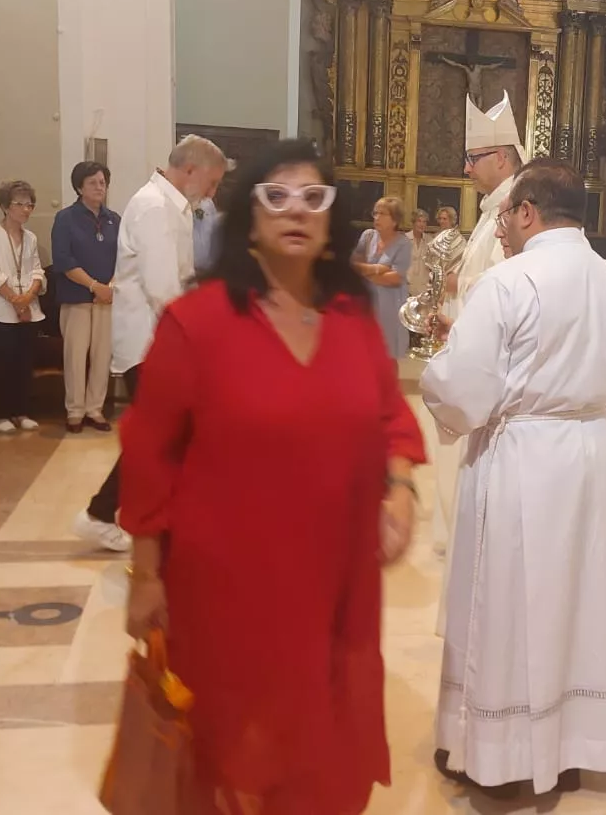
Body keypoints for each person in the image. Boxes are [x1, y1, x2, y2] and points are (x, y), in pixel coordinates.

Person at [121, 139, 424, 813]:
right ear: (249, 218)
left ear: (328, 221)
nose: (296, 209)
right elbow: (148, 453)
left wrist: (399, 488)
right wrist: (145, 573)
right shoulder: (196, 322)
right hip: (229, 582)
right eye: (276, 195)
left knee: (325, 743)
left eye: (313, 197)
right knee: (233, 747)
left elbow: (390, 415)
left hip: (337, 581)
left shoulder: (351, 321)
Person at [422, 159, 606, 795]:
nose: (505, 231)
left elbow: (464, 390)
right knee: (578, 599)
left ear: (526, 211)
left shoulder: (508, 282)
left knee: (512, 605)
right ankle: (570, 747)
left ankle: (502, 757)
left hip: (522, 457)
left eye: (509, 216)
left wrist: (442, 361)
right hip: (590, 454)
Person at [72, 135, 226, 553]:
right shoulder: (156, 208)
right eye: (212, 183)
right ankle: (106, 515)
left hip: (157, 341)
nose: (212, 193)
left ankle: (117, 515)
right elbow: (164, 290)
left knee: (164, 440)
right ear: (190, 171)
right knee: (160, 441)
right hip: (151, 344)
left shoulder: (167, 206)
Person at [430, 92, 527, 635]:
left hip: (490, 375)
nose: (466, 168)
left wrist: (460, 323)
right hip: (470, 351)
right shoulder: (496, 208)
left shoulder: (513, 212)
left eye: (475, 158)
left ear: (504, 158)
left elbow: (502, 295)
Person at [51, 161, 120, 434]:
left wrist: (111, 287)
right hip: (77, 297)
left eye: (103, 182)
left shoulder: (114, 218)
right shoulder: (66, 218)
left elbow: (124, 258)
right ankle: (75, 411)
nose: (99, 187)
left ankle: (95, 409)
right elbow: (63, 260)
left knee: (102, 357)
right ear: (79, 187)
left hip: (107, 299)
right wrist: (94, 286)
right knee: (76, 357)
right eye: (93, 182)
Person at [0, 181, 46, 434]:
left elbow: (37, 270)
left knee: (23, 365)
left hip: (29, 310)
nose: (26, 209)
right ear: (5, 206)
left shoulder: (30, 237)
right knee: (1, 365)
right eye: (20, 204)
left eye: (30, 204)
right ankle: (0, 414)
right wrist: (17, 302)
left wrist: (28, 298)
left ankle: (21, 411)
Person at [352, 196, 412, 359]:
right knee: (365, 351)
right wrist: (380, 269)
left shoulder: (403, 243)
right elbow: (354, 265)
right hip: (367, 301)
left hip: (390, 304)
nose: (376, 217)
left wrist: (367, 271)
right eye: (375, 213)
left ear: (394, 219)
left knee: (388, 353)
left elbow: (395, 278)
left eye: (382, 214)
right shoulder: (368, 236)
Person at [407, 208, 432, 297]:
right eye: (419, 221)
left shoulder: (430, 241)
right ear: (413, 223)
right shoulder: (404, 240)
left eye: (424, 222)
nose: (422, 224)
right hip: (407, 286)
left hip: (424, 288)